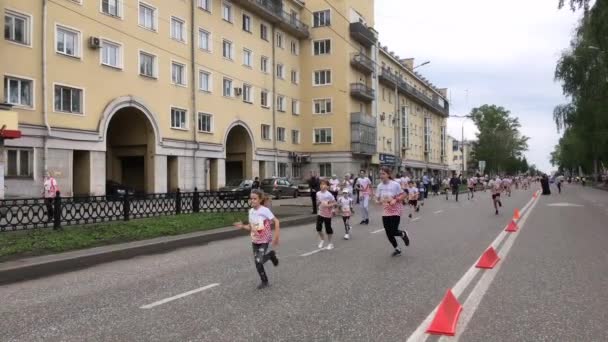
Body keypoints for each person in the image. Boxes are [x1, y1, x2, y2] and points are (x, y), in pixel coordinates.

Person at [233, 189, 280, 289]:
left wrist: (276, 236)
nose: (252, 201)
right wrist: (242, 226)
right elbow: (251, 227)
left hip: (264, 239)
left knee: (259, 260)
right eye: (251, 199)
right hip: (255, 240)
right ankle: (265, 281)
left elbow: (276, 221)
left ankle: (271, 255)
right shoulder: (251, 211)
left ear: (260, 199)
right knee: (257, 262)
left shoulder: (265, 210)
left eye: (255, 199)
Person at [374, 167, 410, 256]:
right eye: (380, 174)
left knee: (393, 231)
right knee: (388, 232)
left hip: (396, 210)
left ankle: (403, 234)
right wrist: (377, 201)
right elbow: (376, 197)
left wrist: (396, 199)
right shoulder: (379, 186)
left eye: (383, 174)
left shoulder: (395, 184)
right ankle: (397, 249)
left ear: (388, 175)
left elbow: (404, 194)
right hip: (386, 211)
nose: (381, 175)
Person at [316, 179, 336, 250]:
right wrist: (318, 203)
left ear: (327, 186)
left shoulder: (329, 195)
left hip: (327, 213)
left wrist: (330, 206)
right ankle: (322, 239)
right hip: (320, 212)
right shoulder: (318, 193)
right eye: (321, 184)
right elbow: (318, 201)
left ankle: (330, 243)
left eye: (324, 184)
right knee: (318, 228)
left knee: (328, 228)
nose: (322, 186)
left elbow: (334, 203)